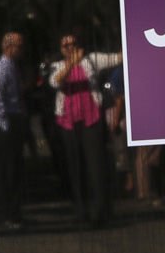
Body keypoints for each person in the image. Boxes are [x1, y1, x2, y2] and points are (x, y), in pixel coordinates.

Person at [47, 30, 121, 228]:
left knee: (95, 166)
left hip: (91, 120)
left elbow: (116, 58)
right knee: (75, 167)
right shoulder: (58, 66)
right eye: (66, 45)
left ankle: (100, 212)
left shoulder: (91, 60)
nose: (70, 48)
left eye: (73, 44)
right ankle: (81, 211)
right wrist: (71, 63)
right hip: (68, 123)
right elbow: (55, 82)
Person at [0, 31, 27, 229]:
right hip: (4, 121)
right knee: (6, 170)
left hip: (13, 118)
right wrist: (5, 125)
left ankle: (14, 212)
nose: (21, 50)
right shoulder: (0, 69)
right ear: (9, 47)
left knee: (14, 169)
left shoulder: (12, 67)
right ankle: (5, 214)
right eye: (18, 46)